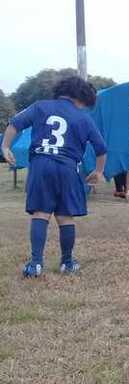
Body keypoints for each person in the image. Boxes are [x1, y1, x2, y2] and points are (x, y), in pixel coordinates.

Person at [1, 76, 106, 277]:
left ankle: (36, 264)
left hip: (41, 163)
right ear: (82, 98)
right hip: (68, 167)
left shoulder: (40, 106)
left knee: (40, 213)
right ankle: (67, 262)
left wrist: (5, 147)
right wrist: (99, 171)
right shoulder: (83, 117)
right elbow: (101, 148)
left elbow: (15, 124)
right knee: (65, 216)